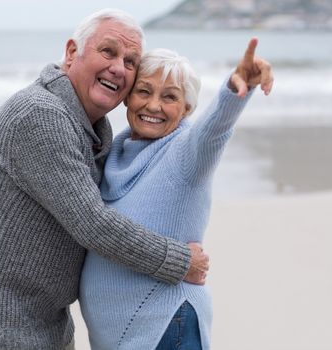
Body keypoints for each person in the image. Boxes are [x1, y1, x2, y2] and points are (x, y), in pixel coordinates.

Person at [0, 9, 209, 350]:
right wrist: (180, 261)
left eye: (130, 61)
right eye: (108, 51)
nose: (118, 67)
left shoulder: (95, 130)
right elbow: (93, 223)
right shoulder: (40, 115)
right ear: (72, 53)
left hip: (46, 321)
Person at [79, 39, 273, 349]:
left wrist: (236, 92)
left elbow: (214, 132)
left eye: (170, 97)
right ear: (127, 98)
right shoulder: (115, 152)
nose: (154, 105)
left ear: (186, 109)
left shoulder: (185, 153)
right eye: (144, 91)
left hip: (167, 328)